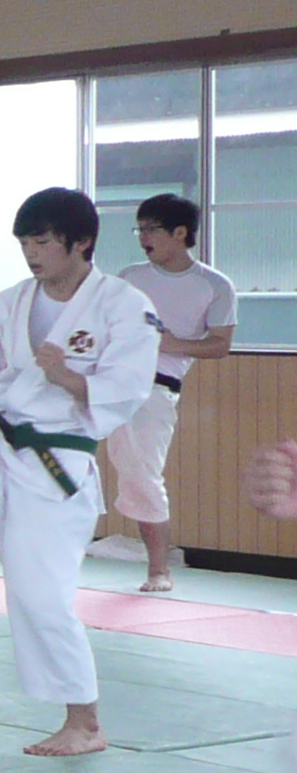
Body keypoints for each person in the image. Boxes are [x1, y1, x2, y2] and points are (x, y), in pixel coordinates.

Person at [0, 187, 158, 759]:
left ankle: (85, 723)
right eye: (24, 243)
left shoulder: (122, 305)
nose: (31, 254)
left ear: (81, 242)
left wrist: (68, 378)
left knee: (39, 596)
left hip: (56, 463)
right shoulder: (9, 303)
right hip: (3, 440)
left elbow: (128, 388)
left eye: (42, 242)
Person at [94, 193, 235, 594]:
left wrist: (170, 344)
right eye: (140, 229)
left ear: (180, 232)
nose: (143, 237)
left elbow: (220, 345)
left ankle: (159, 569)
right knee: (59, 450)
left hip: (155, 387)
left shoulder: (214, 285)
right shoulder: (130, 277)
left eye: (152, 229)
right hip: (105, 377)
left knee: (141, 475)